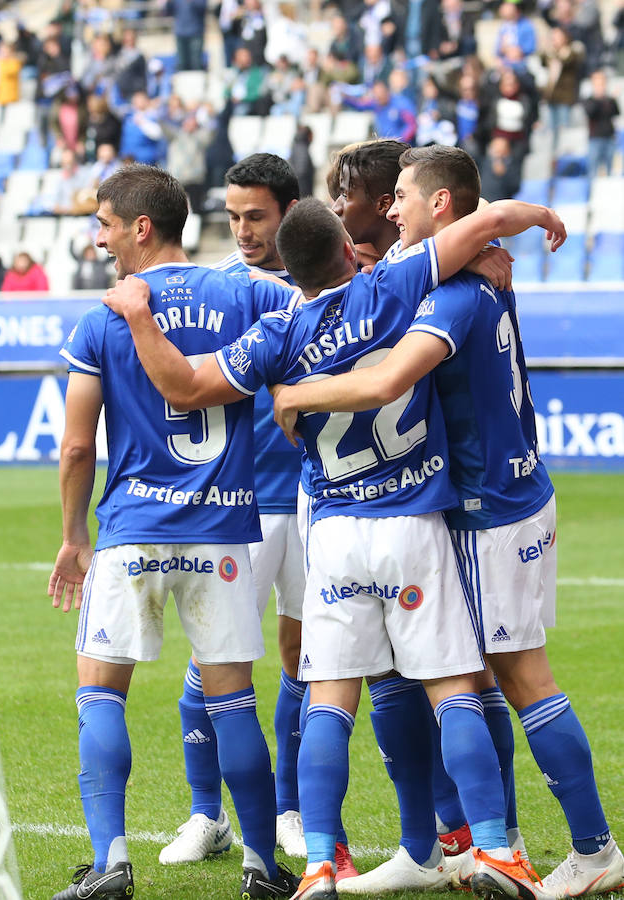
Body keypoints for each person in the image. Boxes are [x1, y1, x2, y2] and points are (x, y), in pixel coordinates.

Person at [103, 181, 566, 900]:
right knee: (451, 690)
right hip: (413, 522)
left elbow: (188, 387)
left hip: (336, 531)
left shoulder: (276, 334)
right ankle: (496, 850)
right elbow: (495, 218)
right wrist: (537, 220)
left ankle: (320, 862)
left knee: (328, 698)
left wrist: (139, 317)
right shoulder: (391, 285)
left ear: (293, 270)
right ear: (350, 250)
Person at [272, 145, 624, 900]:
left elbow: (392, 378)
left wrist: (298, 395)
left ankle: (584, 849)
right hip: (510, 491)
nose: (389, 208)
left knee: (513, 677)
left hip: (485, 508)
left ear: (440, 207)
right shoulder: (469, 272)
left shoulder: (451, 294)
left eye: (401, 195)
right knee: (483, 681)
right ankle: (491, 844)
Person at [48, 163, 301, 900]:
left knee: (101, 694)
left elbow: (74, 447)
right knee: (232, 703)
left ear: (140, 227)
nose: (97, 239)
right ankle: (261, 864)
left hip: (133, 528)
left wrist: (72, 537)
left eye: (103, 224)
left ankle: (110, 864)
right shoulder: (248, 292)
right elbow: (322, 306)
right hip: (222, 531)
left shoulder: (103, 317)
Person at [158, 153, 314, 868]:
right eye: (233, 217)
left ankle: (285, 808)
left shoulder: (325, 284)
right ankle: (205, 813)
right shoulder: (217, 287)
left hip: (317, 497)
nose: (243, 230)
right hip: (238, 502)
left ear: (288, 212)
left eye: (257, 216)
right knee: (212, 660)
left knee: (302, 657)